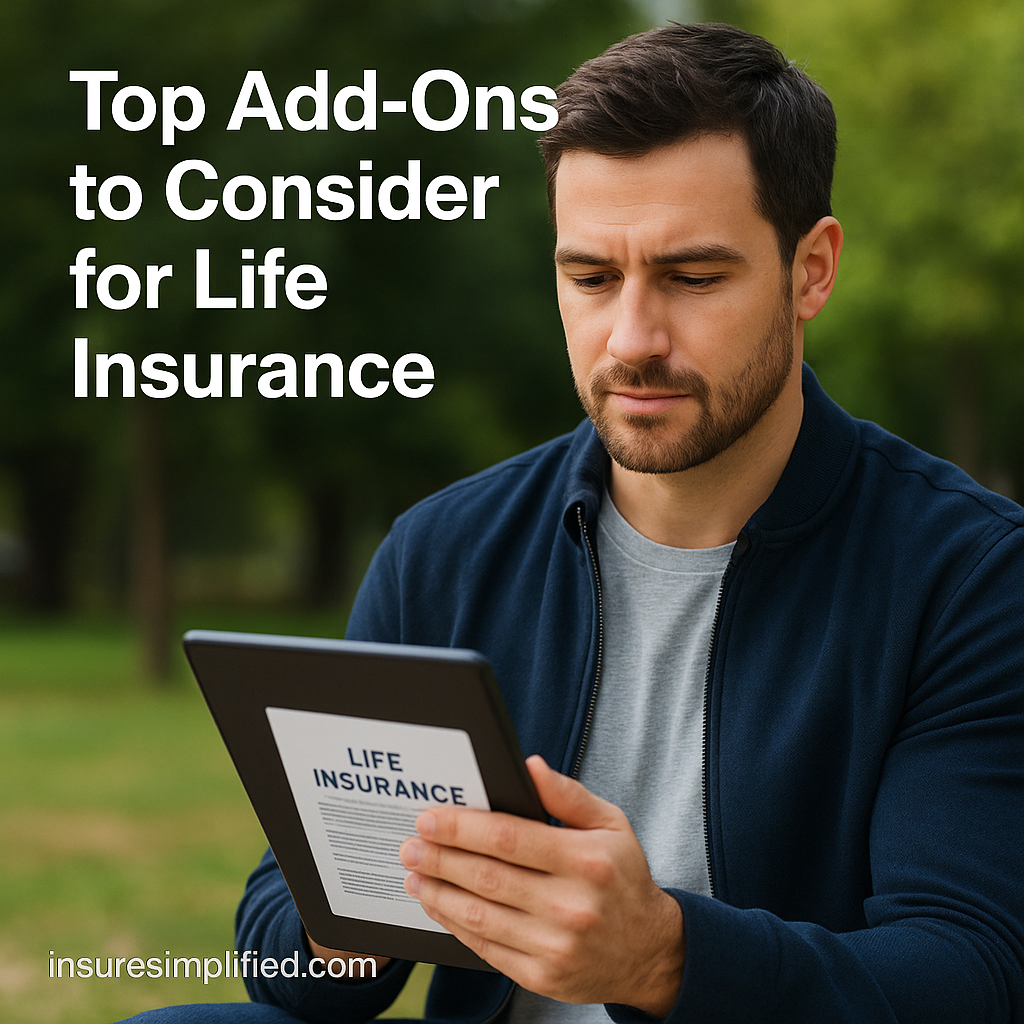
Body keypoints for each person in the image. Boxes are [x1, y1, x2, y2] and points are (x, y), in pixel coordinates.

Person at [119, 22, 1024, 1024]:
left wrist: (664, 959)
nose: (631, 340)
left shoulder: (969, 574)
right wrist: (357, 908)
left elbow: (968, 973)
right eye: (591, 277)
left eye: (693, 277)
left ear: (810, 269)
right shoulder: (446, 551)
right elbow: (283, 960)